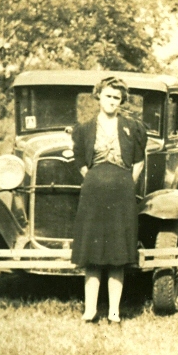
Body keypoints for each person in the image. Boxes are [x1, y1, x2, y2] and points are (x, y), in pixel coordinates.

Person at [71, 76, 147, 324]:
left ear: (121, 100)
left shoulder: (132, 127)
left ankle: (114, 310)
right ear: (98, 96)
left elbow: (138, 161)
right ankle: (90, 309)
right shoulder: (84, 129)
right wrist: (95, 178)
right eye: (108, 96)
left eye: (117, 97)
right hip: (93, 193)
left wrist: (125, 182)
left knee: (117, 253)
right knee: (91, 253)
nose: (112, 101)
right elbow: (81, 162)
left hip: (122, 192)